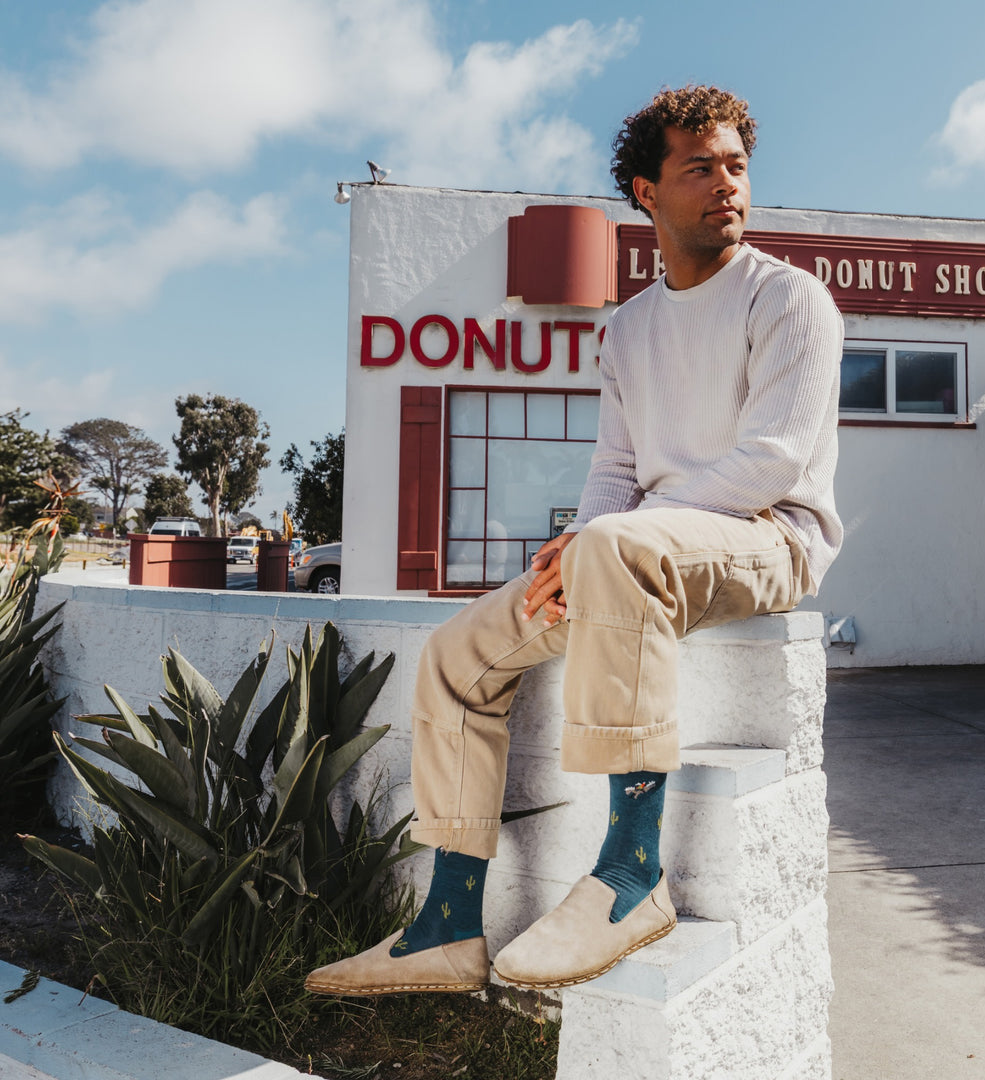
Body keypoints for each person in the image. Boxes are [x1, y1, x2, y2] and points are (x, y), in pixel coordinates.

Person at [305, 84, 844, 997]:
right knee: (456, 653)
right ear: (646, 191)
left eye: (738, 167)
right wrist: (570, 552)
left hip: (767, 539)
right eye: (700, 168)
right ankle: (445, 927)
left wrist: (607, 542)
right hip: (644, 553)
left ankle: (631, 876)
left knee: (612, 549)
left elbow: (772, 461)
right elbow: (613, 469)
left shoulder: (790, 300)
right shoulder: (630, 328)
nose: (727, 186)